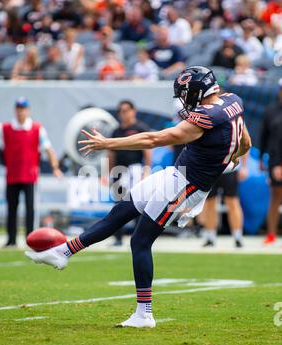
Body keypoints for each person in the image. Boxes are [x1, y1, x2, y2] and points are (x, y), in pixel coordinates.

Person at [26, 66, 251, 328]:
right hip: (176, 174)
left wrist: (109, 143)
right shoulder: (232, 101)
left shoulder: (207, 117)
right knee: (120, 212)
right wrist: (230, 161)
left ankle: (144, 314)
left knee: (140, 241)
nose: (183, 99)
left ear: (196, 92)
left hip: (187, 186)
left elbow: (154, 138)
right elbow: (245, 141)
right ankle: (63, 252)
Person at [0, 97, 62, 247]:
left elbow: (48, 149)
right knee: (11, 208)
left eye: (23, 109)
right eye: (18, 109)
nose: (20, 112)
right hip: (12, 175)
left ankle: (30, 239)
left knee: (30, 209)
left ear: (27, 110)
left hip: (30, 176)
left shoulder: (37, 129)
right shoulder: (6, 128)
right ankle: (11, 240)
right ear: (15, 110)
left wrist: (55, 167)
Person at [107, 100, 151, 246]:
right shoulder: (116, 131)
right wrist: (109, 173)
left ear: (133, 111)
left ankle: (139, 236)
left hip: (135, 169)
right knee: (118, 205)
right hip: (120, 171)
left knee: (138, 203)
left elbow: (147, 151)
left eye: (126, 110)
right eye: (121, 111)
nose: (124, 114)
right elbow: (111, 153)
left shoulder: (140, 128)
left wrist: (146, 170)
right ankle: (118, 238)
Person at [202, 160, 248, 248]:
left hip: (230, 168)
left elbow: (245, 146)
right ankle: (210, 237)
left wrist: (244, 167)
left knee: (232, 202)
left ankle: (238, 237)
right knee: (210, 203)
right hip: (210, 169)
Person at [260, 78, 282, 244]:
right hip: (275, 161)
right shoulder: (270, 111)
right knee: (276, 196)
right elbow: (264, 138)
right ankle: (271, 233)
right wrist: (265, 159)